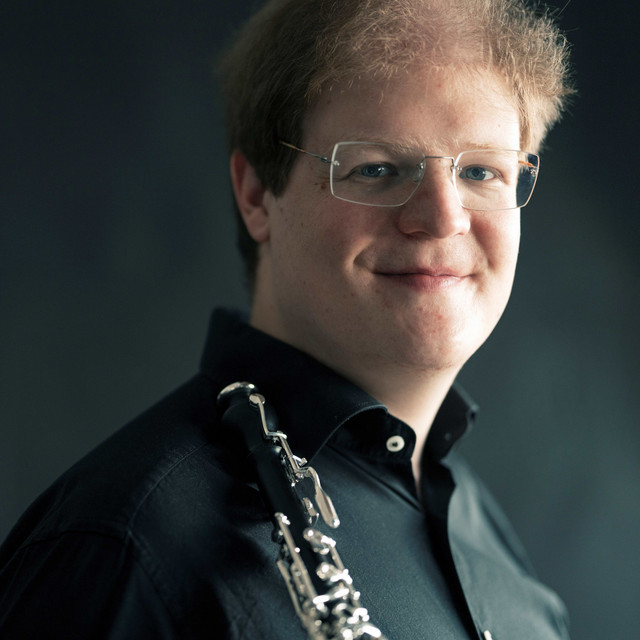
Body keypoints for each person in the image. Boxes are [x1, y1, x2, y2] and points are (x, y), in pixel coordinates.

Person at [0, 0, 574, 638]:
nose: (442, 218)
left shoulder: (491, 546)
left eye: (481, 171)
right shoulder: (124, 551)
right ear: (256, 196)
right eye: (377, 169)